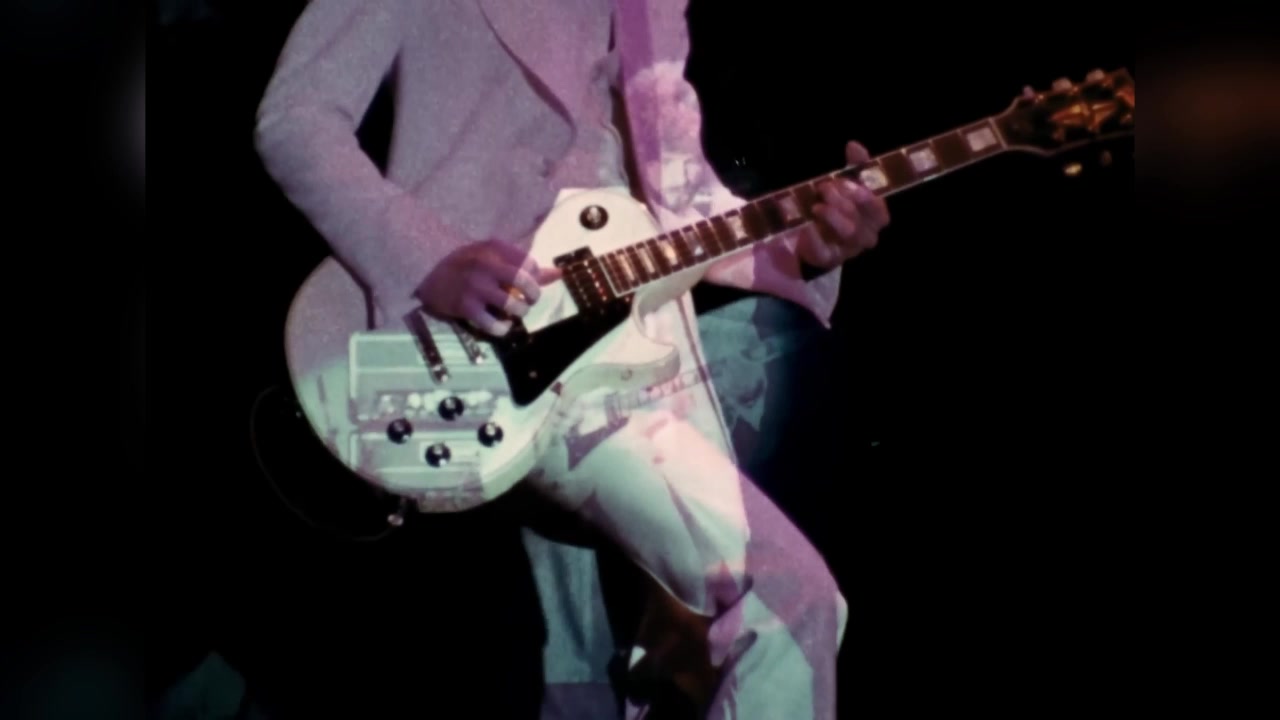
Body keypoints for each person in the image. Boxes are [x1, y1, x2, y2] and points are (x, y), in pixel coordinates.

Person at [253, 1, 889, 718]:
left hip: (639, 339)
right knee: (775, 607)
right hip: (480, 340)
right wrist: (429, 258)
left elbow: (684, 204)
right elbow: (297, 117)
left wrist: (803, 245)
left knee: (717, 645)